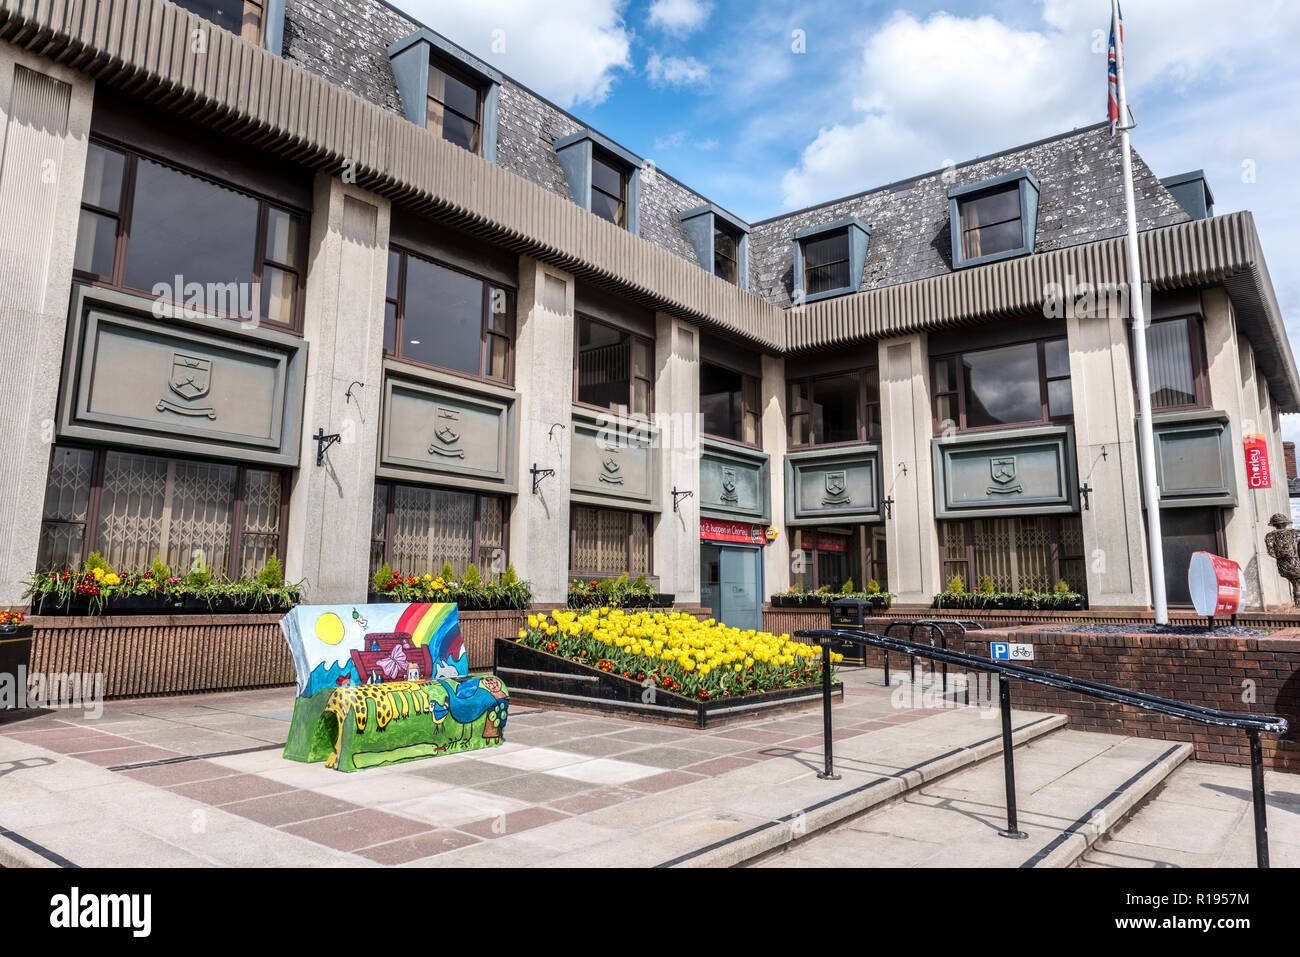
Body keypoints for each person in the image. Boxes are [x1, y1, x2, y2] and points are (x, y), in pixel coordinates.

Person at [1264, 513, 1300, 605]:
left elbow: (1271, 552)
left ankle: (1297, 603)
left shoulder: (1269, 536)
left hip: (1283, 565)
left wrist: (1280, 555)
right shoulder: (1295, 533)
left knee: (1295, 583)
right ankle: (1297, 604)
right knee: (1297, 582)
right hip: (1294, 562)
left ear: (1274, 525)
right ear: (1286, 523)